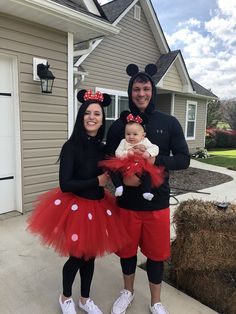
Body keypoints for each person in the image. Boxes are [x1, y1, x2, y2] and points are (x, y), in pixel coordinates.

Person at [27, 89, 130, 314]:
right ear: (81, 116)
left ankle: (84, 299)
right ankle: (66, 297)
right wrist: (97, 180)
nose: (92, 117)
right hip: (77, 208)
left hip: (99, 207)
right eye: (88, 113)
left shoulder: (103, 149)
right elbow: (66, 184)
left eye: (97, 114)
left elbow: (116, 170)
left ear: (103, 120)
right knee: (76, 257)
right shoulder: (71, 146)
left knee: (90, 256)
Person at [105, 64, 190, 314]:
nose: (141, 93)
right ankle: (127, 292)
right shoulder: (119, 125)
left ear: (152, 90)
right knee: (127, 252)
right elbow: (110, 158)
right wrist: (122, 178)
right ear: (130, 92)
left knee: (156, 255)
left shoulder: (169, 122)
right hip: (128, 204)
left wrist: (157, 160)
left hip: (157, 202)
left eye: (145, 88)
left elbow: (183, 159)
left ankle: (155, 301)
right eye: (136, 89)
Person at [100, 110, 164, 201]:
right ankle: (118, 186)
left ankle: (146, 192)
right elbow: (117, 153)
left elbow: (155, 148)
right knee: (113, 170)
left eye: (135, 134)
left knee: (147, 174)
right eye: (128, 134)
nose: (131, 137)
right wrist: (127, 153)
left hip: (139, 165)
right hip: (125, 164)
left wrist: (148, 153)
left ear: (143, 135)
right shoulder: (123, 142)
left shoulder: (145, 141)